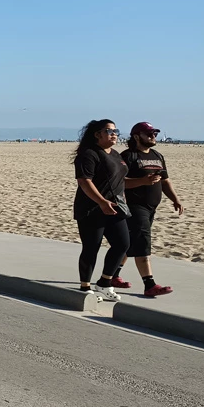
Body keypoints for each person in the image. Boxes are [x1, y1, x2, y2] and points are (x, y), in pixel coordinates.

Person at [113, 122, 184, 296]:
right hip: (134, 207)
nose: (153, 136)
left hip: (152, 207)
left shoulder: (157, 155)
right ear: (137, 136)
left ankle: (113, 275)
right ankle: (149, 284)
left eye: (154, 133)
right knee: (143, 242)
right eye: (149, 133)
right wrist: (142, 182)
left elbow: (165, 180)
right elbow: (118, 182)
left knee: (130, 243)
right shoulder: (128, 156)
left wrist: (175, 199)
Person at [72, 119, 130, 301]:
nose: (114, 134)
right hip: (92, 209)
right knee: (91, 248)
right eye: (109, 131)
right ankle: (85, 287)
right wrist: (102, 202)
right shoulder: (88, 155)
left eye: (116, 131)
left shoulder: (115, 155)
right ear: (97, 134)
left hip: (115, 208)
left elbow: (120, 182)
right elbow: (84, 181)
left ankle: (105, 282)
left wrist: (143, 182)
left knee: (123, 244)